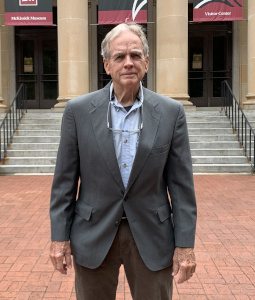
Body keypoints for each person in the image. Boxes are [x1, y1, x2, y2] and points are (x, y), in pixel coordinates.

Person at [49, 23, 197, 300]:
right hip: (93, 232)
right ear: (106, 65)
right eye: (119, 56)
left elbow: (182, 187)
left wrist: (185, 245)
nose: (128, 63)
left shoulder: (171, 112)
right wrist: (59, 238)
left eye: (135, 55)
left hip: (153, 235)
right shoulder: (78, 111)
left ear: (147, 62)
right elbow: (64, 183)